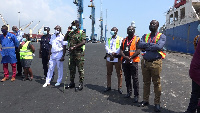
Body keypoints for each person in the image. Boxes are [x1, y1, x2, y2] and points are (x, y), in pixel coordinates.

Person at [137, 20, 166, 112]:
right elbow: (139, 44)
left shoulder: (161, 36)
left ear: (157, 26)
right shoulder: (145, 36)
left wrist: (146, 46)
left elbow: (159, 46)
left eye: (154, 24)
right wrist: (151, 45)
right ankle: (145, 100)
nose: (152, 25)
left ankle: (157, 103)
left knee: (156, 83)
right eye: (150, 24)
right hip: (145, 62)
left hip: (156, 63)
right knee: (146, 82)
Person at [63, 20, 86, 91]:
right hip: (72, 54)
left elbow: (83, 41)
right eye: (72, 24)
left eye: (74, 24)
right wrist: (68, 31)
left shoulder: (81, 32)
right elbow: (65, 39)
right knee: (72, 69)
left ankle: (81, 84)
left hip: (79, 54)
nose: (73, 25)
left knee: (80, 70)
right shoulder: (71, 33)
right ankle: (72, 83)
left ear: (78, 25)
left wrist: (74, 47)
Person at [120, 26, 140, 102]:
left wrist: (130, 57)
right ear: (126, 31)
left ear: (134, 31)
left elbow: (138, 51)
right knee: (127, 78)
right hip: (125, 61)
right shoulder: (124, 40)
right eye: (128, 29)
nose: (130, 30)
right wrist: (125, 57)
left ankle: (136, 95)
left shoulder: (137, 39)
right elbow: (121, 50)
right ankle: (129, 92)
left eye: (132, 29)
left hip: (133, 62)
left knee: (135, 78)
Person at [185, 25, 200, 113]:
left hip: (195, 70)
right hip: (197, 71)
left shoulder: (197, 38)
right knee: (196, 94)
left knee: (195, 93)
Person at [104, 27, 123, 94]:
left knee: (119, 73)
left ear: (116, 31)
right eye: (111, 30)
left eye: (113, 30)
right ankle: (108, 86)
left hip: (117, 58)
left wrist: (114, 53)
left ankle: (119, 87)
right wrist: (111, 53)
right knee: (109, 73)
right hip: (109, 57)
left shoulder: (120, 39)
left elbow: (121, 47)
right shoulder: (108, 39)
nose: (112, 31)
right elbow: (106, 47)